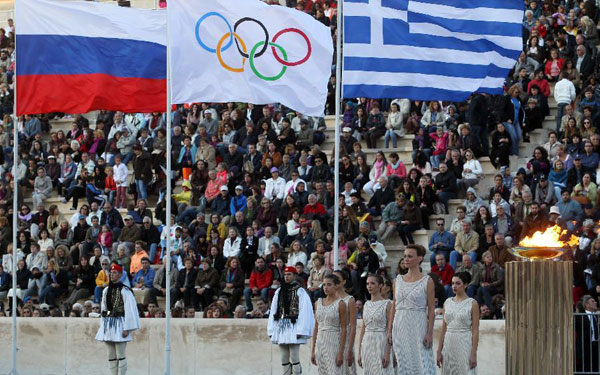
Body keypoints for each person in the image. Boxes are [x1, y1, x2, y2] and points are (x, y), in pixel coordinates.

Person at [387, 244, 436, 374]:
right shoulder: (397, 280)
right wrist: (389, 330)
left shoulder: (427, 281)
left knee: (422, 362)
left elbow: (431, 310)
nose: (406, 259)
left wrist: (430, 333)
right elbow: (394, 306)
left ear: (419, 258)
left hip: (418, 325)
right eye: (404, 256)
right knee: (403, 362)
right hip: (400, 325)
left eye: (410, 256)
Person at [268, 266, 314, 375]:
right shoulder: (279, 291)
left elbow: (305, 311)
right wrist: (271, 329)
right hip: (281, 326)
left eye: (289, 274)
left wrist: (301, 330)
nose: (286, 277)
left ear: (294, 276)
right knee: (283, 357)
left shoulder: (300, 291)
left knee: (294, 356)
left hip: (294, 326)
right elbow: (274, 310)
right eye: (285, 275)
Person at [95, 263, 140, 375]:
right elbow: (104, 309)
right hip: (108, 324)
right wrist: (103, 326)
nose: (111, 274)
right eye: (111, 272)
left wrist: (127, 328)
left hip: (120, 323)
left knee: (120, 355)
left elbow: (130, 310)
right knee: (110, 355)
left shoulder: (125, 291)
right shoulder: (106, 290)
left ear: (120, 275)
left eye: (114, 272)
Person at [436, 272, 480, 374]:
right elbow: (443, 329)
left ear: (465, 285)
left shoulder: (472, 303)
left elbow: (475, 331)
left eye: (458, 283)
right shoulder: (447, 302)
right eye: (452, 283)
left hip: (465, 344)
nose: (454, 286)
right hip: (449, 344)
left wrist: (473, 354)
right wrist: (439, 351)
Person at [357, 274, 393, 375]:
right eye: (367, 283)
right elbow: (363, 330)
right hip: (367, 343)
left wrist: (388, 352)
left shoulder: (387, 304)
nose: (369, 286)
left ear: (380, 285)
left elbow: (390, 330)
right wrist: (359, 352)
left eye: (373, 283)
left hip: (381, 342)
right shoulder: (366, 304)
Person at [311, 273, 347, 375]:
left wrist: (341, 352)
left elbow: (344, 329)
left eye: (329, 284)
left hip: (334, 342)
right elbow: (316, 328)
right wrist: (313, 350)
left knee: (334, 372)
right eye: (324, 285)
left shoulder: (341, 304)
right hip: (320, 343)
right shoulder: (318, 303)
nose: (326, 287)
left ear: (336, 286)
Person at [333, 270, 357, 375]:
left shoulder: (350, 300)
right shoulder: (327, 300)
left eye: (337, 278)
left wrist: (350, 349)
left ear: (343, 282)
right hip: (330, 339)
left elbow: (353, 326)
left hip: (345, 340)